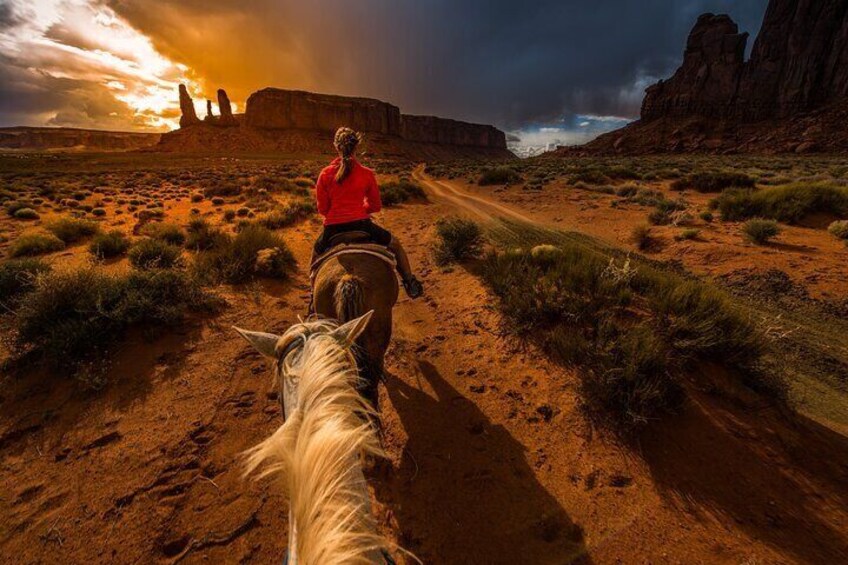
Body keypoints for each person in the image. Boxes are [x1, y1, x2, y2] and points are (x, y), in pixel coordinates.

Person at [311, 127, 424, 299]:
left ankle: (313, 299)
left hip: (332, 230)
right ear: (356, 147)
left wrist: (337, 212)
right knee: (396, 245)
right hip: (362, 225)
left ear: (336, 147)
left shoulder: (325, 174)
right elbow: (376, 205)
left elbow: (323, 209)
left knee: (314, 260)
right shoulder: (367, 173)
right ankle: (410, 282)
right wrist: (360, 209)